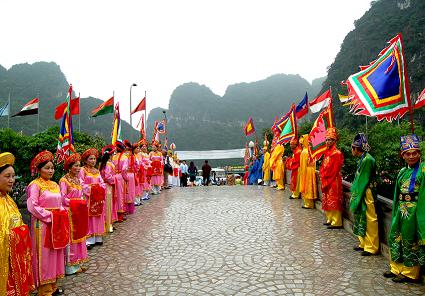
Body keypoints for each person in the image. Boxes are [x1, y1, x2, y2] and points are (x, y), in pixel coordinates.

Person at [383, 134, 425, 283]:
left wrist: (419, 216)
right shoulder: (402, 171)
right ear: (403, 155)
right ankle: (396, 268)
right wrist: (396, 211)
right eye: (408, 153)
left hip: (414, 212)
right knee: (395, 237)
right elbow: (396, 194)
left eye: (415, 153)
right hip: (400, 210)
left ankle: (410, 273)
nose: (412, 156)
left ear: (419, 153)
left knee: (410, 240)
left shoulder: (423, 171)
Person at [27, 150, 68, 296]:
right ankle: (44, 289)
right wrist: (50, 215)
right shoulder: (35, 185)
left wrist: (62, 213)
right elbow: (32, 206)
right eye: (47, 168)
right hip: (43, 224)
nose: (50, 170)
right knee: (44, 255)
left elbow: (60, 202)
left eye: (52, 168)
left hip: (56, 224)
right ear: (39, 169)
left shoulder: (55, 185)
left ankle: (54, 285)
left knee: (55, 253)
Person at [0, 152, 34, 296]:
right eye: (7, 176)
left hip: (15, 262)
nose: (12, 180)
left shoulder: (9, 200)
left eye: (13, 176)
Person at [59, 153, 89, 275]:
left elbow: (83, 192)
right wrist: (74, 202)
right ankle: (70, 266)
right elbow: (62, 198)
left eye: (79, 166)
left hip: (79, 211)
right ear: (69, 167)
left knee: (79, 237)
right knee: (71, 239)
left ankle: (77, 263)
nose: (78, 168)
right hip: (69, 212)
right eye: (75, 166)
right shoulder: (63, 180)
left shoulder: (78, 179)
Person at [349, 133, 379, 256]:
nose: (351, 150)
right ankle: (364, 243)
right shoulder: (364, 158)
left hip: (367, 192)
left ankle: (371, 247)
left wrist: (355, 195)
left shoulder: (367, 160)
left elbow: (363, 180)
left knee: (370, 219)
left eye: (352, 148)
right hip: (363, 191)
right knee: (362, 218)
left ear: (357, 149)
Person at [79, 148, 106, 249]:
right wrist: (92, 189)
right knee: (89, 217)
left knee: (98, 216)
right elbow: (81, 183)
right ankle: (89, 239)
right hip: (88, 197)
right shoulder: (82, 170)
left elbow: (102, 183)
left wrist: (100, 188)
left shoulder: (97, 171)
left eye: (94, 159)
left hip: (97, 197)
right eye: (90, 159)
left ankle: (98, 236)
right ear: (85, 160)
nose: (93, 161)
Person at [319, 128, 344, 229]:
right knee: (327, 198)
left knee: (333, 199)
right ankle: (330, 218)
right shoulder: (327, 152)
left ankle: (337, 221)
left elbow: (334, 169)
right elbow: (323, 165)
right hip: (326, 178)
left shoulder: (336, 153)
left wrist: (326, 176)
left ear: (334, 141)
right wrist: (323, 174)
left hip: (333, 180)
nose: (327, 141)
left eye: (330, 139)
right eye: (326, 139)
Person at [99, 145, 117, 232]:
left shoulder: (101, 164)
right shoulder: (109, 165)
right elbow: (108, 176)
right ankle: (108, 225)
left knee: (104, 205)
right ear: (110, 155)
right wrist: (114, 180)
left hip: (102, 186)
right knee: (108, 205)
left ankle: (103, 224)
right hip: (108, 187)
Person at [299, 134, 317, 209]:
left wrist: (302, 174)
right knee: (310, 187)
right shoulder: (311, 150)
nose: (301, 144)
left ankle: (308, 204)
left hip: (306, 171)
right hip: (311, 170)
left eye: (302, 143)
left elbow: (303, 164)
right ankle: (310, 203)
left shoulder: (304, 152)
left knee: (307, 187)